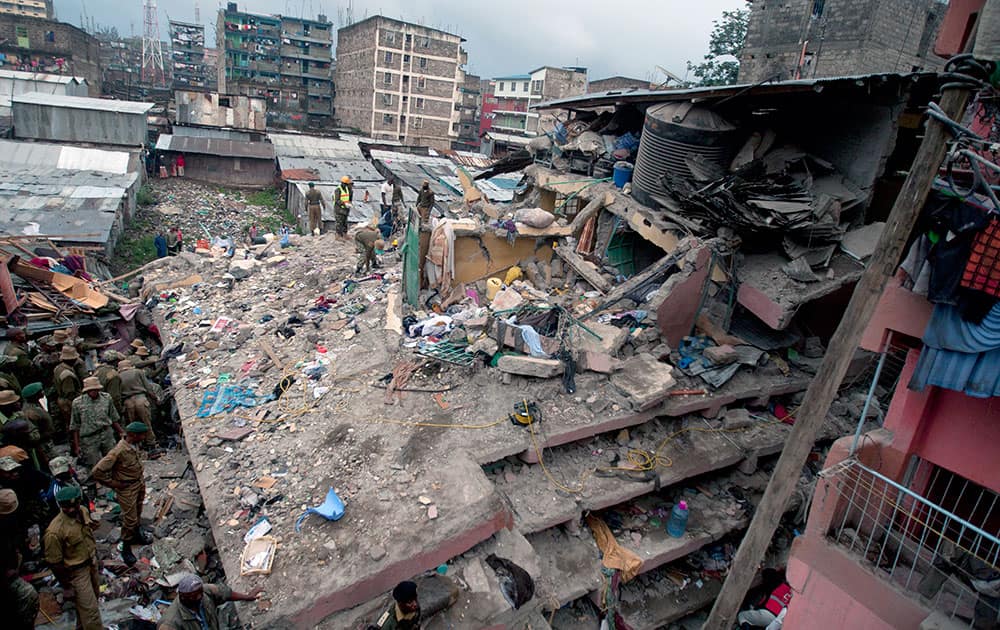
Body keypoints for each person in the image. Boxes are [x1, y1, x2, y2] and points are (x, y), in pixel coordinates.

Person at [43, 486, 103, 630]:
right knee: (91, 611)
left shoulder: (82, 511)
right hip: (77, 572)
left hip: (90, 563)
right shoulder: (55, 531)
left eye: (73, 505)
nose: (70, 510)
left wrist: (97, 559)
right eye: (66, 507)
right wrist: (67, 586)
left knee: (92, 600)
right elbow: (54, 563)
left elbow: (88, 536)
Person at [91, 422, 149, 565]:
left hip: (138, 483)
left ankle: (136, 534)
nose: (144, 437)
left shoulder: (133, 445)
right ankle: (126, 548)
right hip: (127, 488)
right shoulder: (118, 451)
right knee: (129, 519)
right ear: (133, 435)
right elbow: (97, 471)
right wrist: (114, 484)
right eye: (141, 434)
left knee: (137, 512)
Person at [157, 573, 263, 630]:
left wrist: (248, 596)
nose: (199, 597)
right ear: (183, 597)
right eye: (194, 596)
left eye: (200, 593)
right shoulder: (169, 624)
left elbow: (224, 593)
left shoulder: (204, 592)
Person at [69, 377, 123, 470]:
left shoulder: (106, 398)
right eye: (91, 390)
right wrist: (77, 446)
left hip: (106, 433)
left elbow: (113, 416)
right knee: (94, 464)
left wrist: (121, 431)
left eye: (95, 390)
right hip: (89, 438)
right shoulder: (77, 403)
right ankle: (97, 483)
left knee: (113, 458)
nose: (93, 392)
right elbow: (75, 425)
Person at [118, 359, 159, 448]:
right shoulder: (138, 372)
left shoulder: (118, 376)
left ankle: (136, 446)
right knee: (147, 423)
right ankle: (151, 443)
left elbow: (118, 394)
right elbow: (148, 387)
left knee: (132, 426)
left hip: (128, 402)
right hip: (140, 399)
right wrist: (155, 398)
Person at [20, 383, 55, 460]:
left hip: (47, 440)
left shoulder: (35, 404)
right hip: (44, 444)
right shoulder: (30, 412)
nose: (43, 392)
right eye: (40, 391)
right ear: (34, 395)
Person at [53, 346, 82, 436]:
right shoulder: (67, 375)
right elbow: (70, 393)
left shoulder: (58, 368)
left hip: (62, 399)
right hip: (68, 402)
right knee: (74, 424)